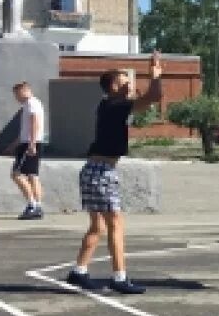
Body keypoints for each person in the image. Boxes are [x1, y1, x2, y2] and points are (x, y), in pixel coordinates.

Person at [65, 51, 164, 295]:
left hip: (92, 169)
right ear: (113, 86)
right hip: (102, 172)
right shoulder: (116, 105)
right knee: (115, 223)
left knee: (97, 226)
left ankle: (79, 271)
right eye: (124, 81)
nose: (129, 84)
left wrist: (138, 87)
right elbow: (155, 95)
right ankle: (119, 277)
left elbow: (142, 101)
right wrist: (155, 75)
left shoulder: (108, 105)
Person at [8, 81, 45, 220]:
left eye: (16, 94)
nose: (16, 97)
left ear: (24, 91)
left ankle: (32, 204)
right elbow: (27, 127)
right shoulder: (33, 103)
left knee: (16, 174)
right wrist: (14, 144)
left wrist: (31, 144)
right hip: (30, 142)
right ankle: (38, 206)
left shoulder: (31, 103)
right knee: (32, 175)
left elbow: (34, 122)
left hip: (29, 144)